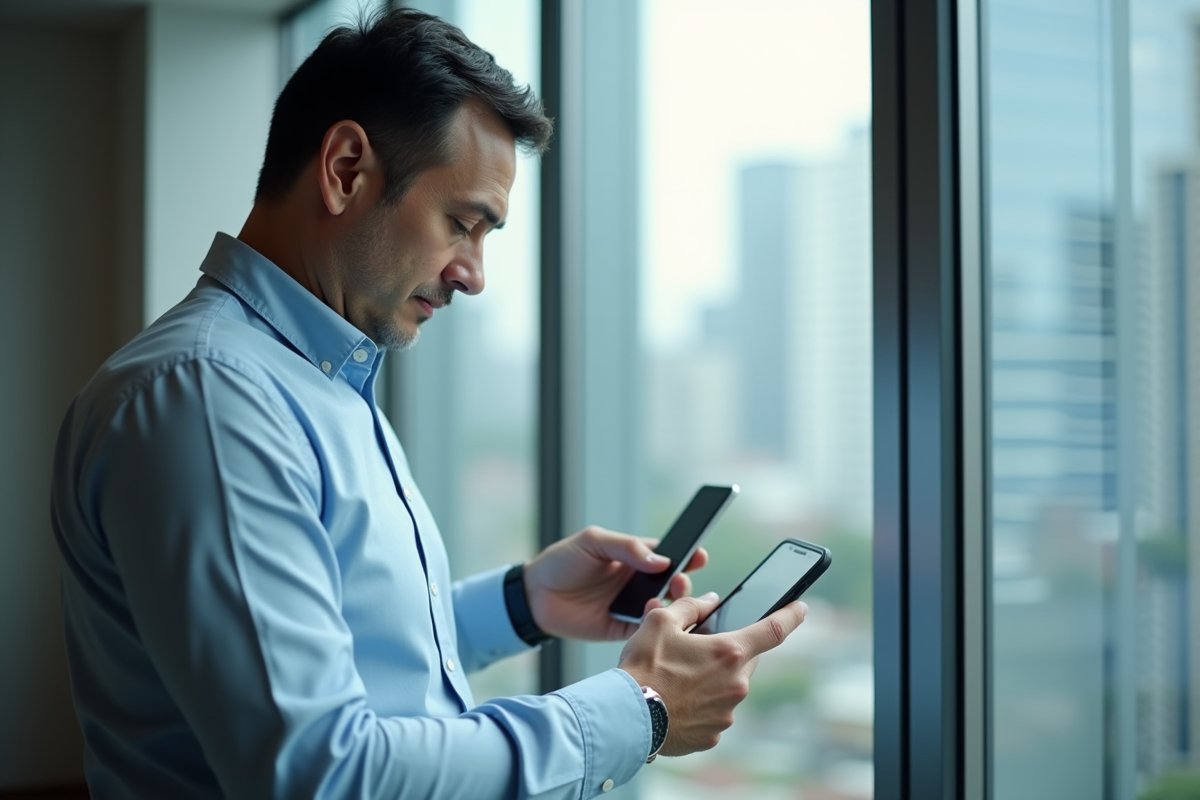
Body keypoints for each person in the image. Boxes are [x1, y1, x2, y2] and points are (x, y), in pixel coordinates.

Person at [50, 8, 808, 799]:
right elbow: (321, 774)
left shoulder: (309, 376)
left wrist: (521, 603)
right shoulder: (211, 402)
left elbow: (341, 651)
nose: (473, 274)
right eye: (461, 224)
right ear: (345, 168)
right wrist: (641, 711)